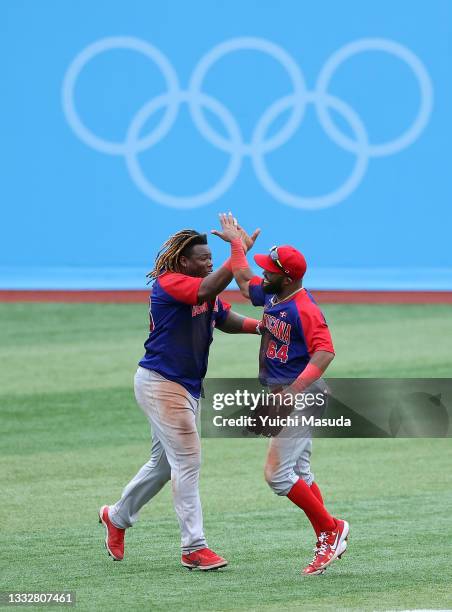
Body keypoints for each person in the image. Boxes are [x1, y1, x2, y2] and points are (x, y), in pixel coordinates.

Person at [99, 218, 261, 570]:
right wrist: (237, 252)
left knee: (161, 466)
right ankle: (194, 547)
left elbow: (225, 317)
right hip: (162, 383)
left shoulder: (200, 285)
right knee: (187, 460)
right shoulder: (170, 283)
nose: (209, 263)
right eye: (203, 259)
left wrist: (262, 327)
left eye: (211, 258)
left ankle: (117, 516)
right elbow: (206, 292)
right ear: (183, 261)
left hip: (183, 385)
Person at [212, 213, 349, 576]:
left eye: (269, 270)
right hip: (286, 395)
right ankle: (328, 533)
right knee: (300, 471)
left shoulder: (305, 308)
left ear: (286, 277)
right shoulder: (275, 296)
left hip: (300, 397)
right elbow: (243, 282)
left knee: (277, 475)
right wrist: (236, 244)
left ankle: (332, 530)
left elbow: (325, 352)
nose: (263, 273)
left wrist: (292, 393)